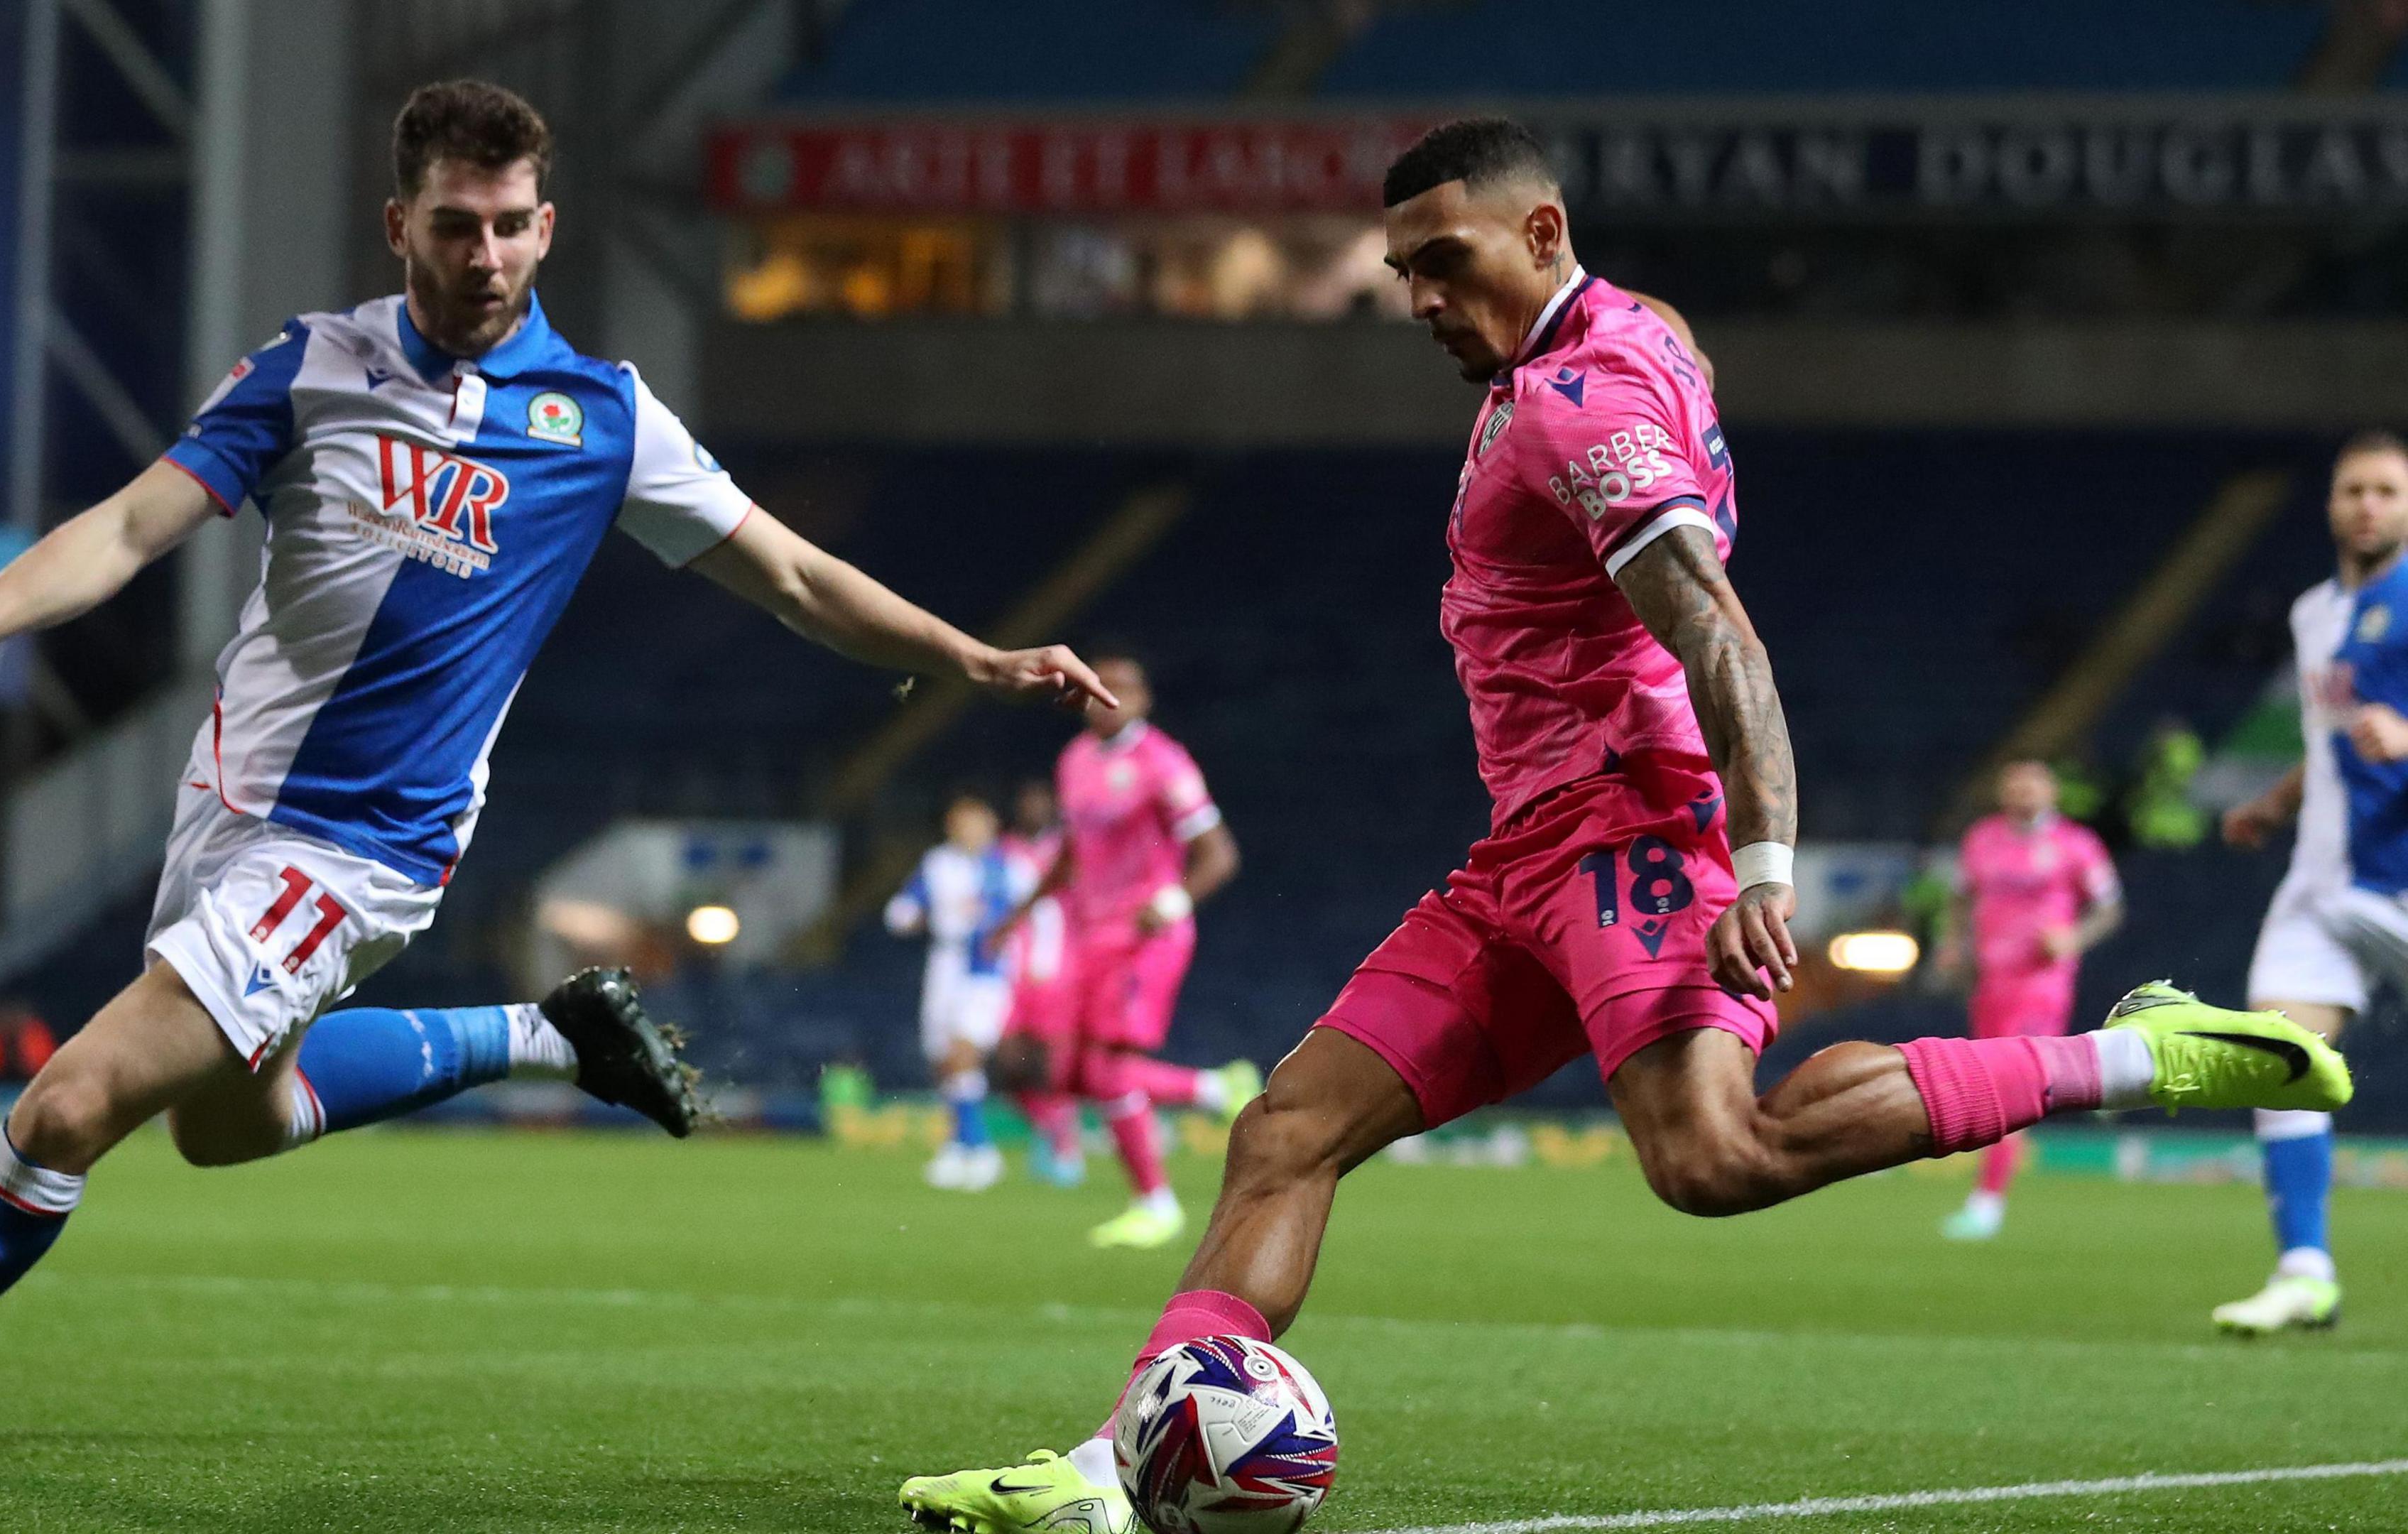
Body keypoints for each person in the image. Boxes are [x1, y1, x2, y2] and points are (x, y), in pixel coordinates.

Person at [897, 116, 2351, 1533]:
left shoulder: (1574, 404)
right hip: (1527, 846)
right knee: (1284, 1130)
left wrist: (1761, 859)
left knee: (1714, 1161)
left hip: (1632, 828)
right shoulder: (1627, 335)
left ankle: (2129, 1055)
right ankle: (1107, 1472)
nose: (1419, 298)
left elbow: (1717, 629)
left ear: (1543, 233)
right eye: (1403, 269)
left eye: (1446, 260)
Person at [0, 79, 1111, 1456]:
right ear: (399, 225)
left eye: (508, 224)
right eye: (454, 225)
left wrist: (974, 657)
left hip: (363, 846)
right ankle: (545, 1035)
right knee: (229, 1130)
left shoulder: (602, 419)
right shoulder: (311, 369)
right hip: (224, 809)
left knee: (68, 1108)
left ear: (547, 228)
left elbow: (795, 576)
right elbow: (128, 529)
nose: (483, 255)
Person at [2212, 429, 2408, 1335]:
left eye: (2387, 492)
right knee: (2277, 1051)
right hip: (2324, 878)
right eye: (2353, 491)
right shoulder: (2312, 614)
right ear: (2331, 504)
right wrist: (2277, 803)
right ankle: (2305, 1269)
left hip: (2398, 876)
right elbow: (2329, 735)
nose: (2368, 506)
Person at [996, 648, 1259, 1249]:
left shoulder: (1163, 762)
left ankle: (1156, 1204)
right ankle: (1216, 1091)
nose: (1104, 698)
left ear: (1142, 700)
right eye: (1095, 687)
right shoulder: (1075, 760)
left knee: (1107, 1067)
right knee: (1076, 1072)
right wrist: (1019, 914)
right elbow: (1070, 855)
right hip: (1092, 935)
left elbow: (1220, 854)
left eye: (1119, 689)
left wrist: (1173, 901)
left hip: (1147, 934)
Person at [1932, 759, 2123, 1240]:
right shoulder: (1982, 839)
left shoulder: (2076, 844)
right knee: (1986, 1081)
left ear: (2052, 791)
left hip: (2042, 982)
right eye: (2014, 785)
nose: (2023, 792)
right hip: (1992, 979)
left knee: (2011, 1084)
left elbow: (2109, 907)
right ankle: (1988, 1192)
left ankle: (1987, 1201)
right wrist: (1952, 942)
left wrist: (2074, 937)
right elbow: (1959, 898)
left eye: (2032, 784)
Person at [886, 793, 1021, 1192]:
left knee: (964, 1052)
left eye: (977, 822)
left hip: (987, 970)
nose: (970, 831)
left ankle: (980, 1149)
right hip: (944, 965)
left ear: (992, 826)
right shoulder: (938, 864)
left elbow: (1040, 916)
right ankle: (958, 1145)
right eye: (962, 823)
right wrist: (912, 916)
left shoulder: (1009, 868)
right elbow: (901, 911)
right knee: (944, 1059)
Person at [996, 778, 1086, 1187]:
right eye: (1026, 801)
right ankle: (1050, 1128)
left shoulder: (1066, 851)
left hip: (1058, 971)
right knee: (1006, 1062)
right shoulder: (1002, 853)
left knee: (1051, 1067)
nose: (1033, 808)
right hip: (1011, 972)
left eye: (1040, 802)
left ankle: (1065, 1146)